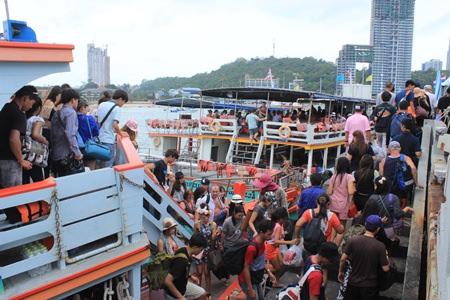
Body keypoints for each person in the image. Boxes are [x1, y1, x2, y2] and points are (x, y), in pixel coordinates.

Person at [338, 215, 390, 300]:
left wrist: (341, 271)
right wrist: (386, 256)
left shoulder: (354, 240)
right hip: (369, 286)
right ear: (378, 229)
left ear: (365, 225)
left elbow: (343, 258)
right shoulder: (380, 246)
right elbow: (386, 268)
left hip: (352, 283)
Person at [0, 85, 37, 188]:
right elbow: (13, 138)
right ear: (25, 98)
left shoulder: (4, 108)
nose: (31, 107)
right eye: (31, 103)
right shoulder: (19, 114)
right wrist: (21, 160)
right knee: (12, 196)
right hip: (10, 161)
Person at [164, 232, 209, 300]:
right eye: (201, 249)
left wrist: (192, 277)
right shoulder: (182, 261)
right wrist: (181, 297)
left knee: (203, 293)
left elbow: (182, 270)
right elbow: (167, 281)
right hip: (174, 294)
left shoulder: (183, 249)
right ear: (196, 247)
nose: (201, 252)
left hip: (183, 286)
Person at [366, 176, 414, 241]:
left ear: (376, 186)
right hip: (389, 230)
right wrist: (407, 209)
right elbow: (398, 214)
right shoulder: (393, 198)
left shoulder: (372, 198)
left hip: (374, 229)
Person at [239, 219, 276, 300]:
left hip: (256, 278)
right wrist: (250, 288)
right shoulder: (252, 248)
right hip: (248, 280)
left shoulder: (263, 243)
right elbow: (246, 268)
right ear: (262, 233)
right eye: (269, 234)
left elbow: (261, 261)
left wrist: (269, 272)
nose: (271, 237)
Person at [51, 88, 84, 178]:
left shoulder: (57, 113)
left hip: (56, 154)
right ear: (73, 100)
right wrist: (77, 153)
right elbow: (70, 134)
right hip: (66, 156)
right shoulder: (71, 113)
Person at [379, 141, 422, 207]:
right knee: (402, 204)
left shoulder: (384, 160)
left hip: (390, 188)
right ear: (400, 149)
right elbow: (413, 169)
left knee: (390, 205)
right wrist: (416, 182)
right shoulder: (405, 158)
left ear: (389, 150)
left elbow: (381, 175)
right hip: (402, 187)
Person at [265, 207, 299, 287]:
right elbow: (276, 240)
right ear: (281, 218)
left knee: (282, 264)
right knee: (277, 268)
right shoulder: (278, 227)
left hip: (274, 247)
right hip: (270, 248)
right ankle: (264, 271)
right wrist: (290, 242)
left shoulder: (274, 223)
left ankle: (275, 281)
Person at [95, 89, 129, 168]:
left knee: (97, 164)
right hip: (108, 140)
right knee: (108, 165)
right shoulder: (117, 108)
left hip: (98, 139)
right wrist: (120, 133)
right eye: (123, 102)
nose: (122, 104)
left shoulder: (102, 104)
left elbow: (96, 120)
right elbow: (115, 125)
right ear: (120, 99)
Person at [327, 157, 355, 245]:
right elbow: (350, 192)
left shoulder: (334, 176)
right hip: (343, 205)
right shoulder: (349, 177)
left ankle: (330, 243)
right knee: (341, 228)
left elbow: (329, 192)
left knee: (333, 226)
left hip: (333, 204)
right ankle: (336, 246)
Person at [22, 96, 48, 184]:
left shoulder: (24, 118)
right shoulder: (38, 119)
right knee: (39, 179)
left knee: (24, 180)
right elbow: (35, 134)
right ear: (38, 108)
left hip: (24, 150)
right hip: (35, 149)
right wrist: (46, 142)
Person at [193, 204, 217, 296]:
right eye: (201, 217)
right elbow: (194, 236)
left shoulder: (212, 224)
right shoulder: (197, 224)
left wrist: (214, 234)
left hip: (208, 250)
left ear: (208, 216)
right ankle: (197, 292)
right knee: (199, 272)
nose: (203, 219)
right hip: (198, 250)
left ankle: (208, 292)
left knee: (207, 273)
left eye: (204, 218)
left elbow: (213, 237)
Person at [77, 97, 99, 171]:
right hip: (89, 147)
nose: (88, 110)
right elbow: (96, 132)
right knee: (91, 169)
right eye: (87, 107)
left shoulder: (72, 118)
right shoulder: (89, 119)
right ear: (82, 107)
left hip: (76, 149)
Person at [372, 91, 397, 155]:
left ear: (381, 98)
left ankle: (379, 158)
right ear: (390, 98)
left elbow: (375, 118)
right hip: (387, 129)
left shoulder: (377, 107)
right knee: (385, 146)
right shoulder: (392, 108)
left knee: (379, 145)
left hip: (378, 128)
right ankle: (384, 159)